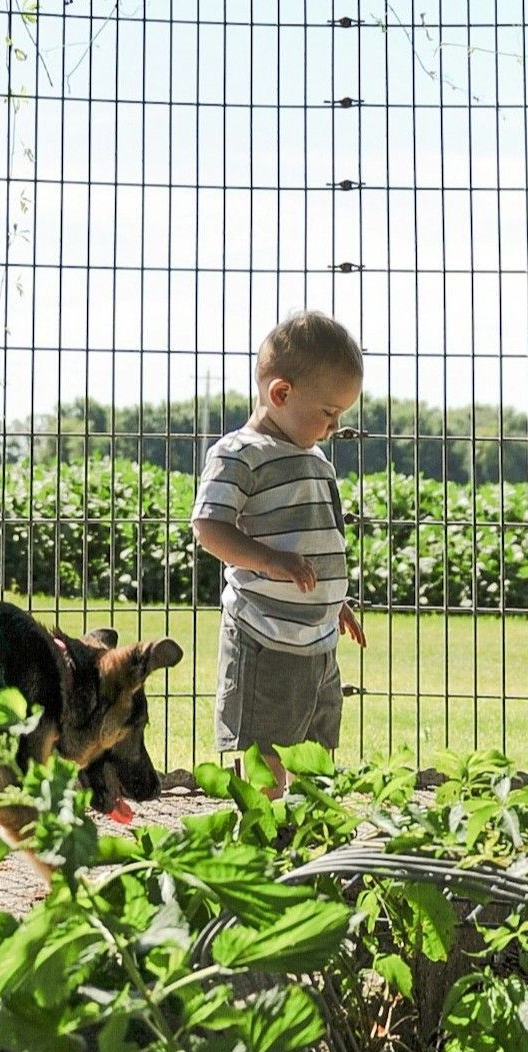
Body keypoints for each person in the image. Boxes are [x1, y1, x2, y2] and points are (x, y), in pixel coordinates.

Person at [190, 310, 368, 794]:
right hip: (263, 634)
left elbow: (319, 538)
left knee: (315, 745)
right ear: (281, 394)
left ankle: (308, 829)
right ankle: (265, 830)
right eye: (328, 413)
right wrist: (269, 561)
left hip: (316, 641)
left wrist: (335, 602)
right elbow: (208, 527)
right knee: (264, 745)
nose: (334, 427)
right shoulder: (239, 453)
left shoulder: (315, 460)